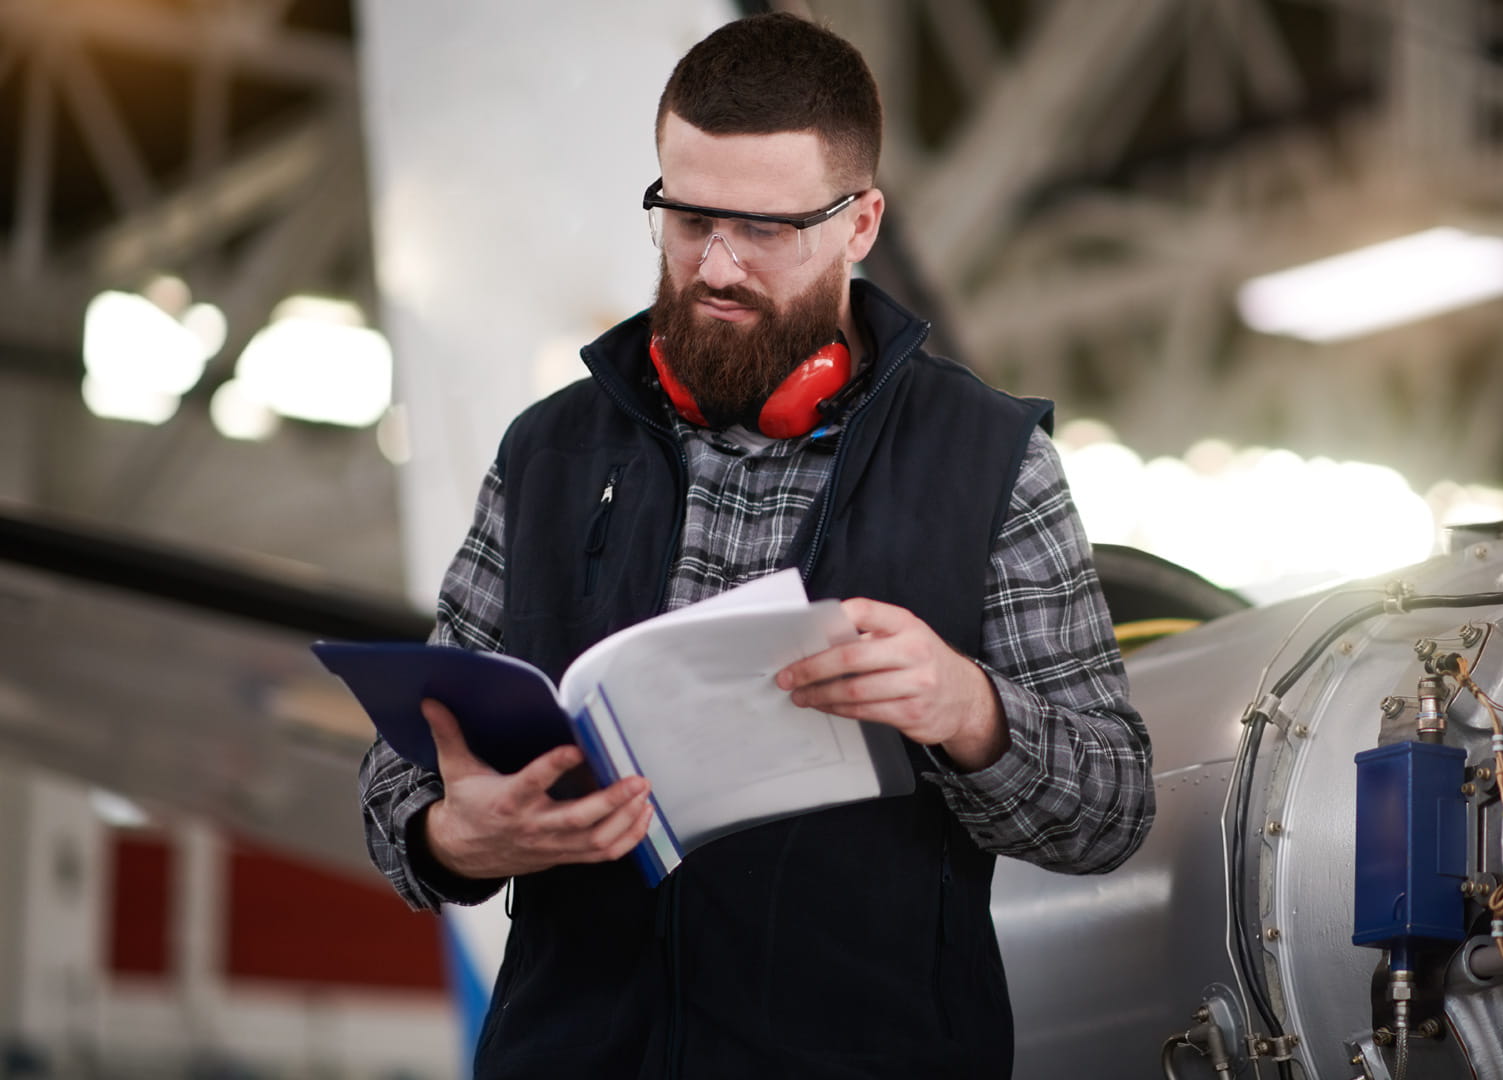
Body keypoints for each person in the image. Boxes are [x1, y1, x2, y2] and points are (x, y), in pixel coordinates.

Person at [358, 13, 1153, 1079]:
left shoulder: (992, 460)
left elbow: (1111, 811)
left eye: (764, 231)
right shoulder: (548, 451)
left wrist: (971, 710)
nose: (716, 267)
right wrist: (453, 840)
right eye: (687, 220)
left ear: (862, 223)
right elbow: (396, 778)